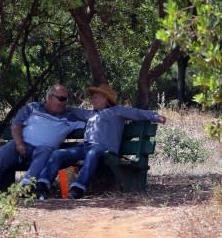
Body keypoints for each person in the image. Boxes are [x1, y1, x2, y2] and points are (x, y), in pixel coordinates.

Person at [34, 83, 166, 200]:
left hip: (104, 149)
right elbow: (73, 110)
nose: (92, 99)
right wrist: (57, 104)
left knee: (92, 153)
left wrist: (155, 116)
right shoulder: (91, 114)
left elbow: (137, 113)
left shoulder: (117, 111)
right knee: (58, 154)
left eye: (96, 97)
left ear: (105, 99)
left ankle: (77, 189)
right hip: (84, 147)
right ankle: (41, 186)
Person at [0, 84, 87, 193]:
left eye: (66, 100)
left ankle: (25, 188)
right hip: (22, 144)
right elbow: (16, 125)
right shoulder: (32, 108)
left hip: (44, 149)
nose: (64, 103)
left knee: (44, 151)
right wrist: (19, 143)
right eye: (61, 99)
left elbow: (92, 121)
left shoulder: (69, 117)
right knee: (2, 154)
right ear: (50, 97)